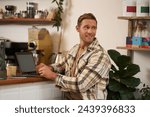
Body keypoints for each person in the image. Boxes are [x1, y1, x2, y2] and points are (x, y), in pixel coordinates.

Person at [36, 13, 111, 100]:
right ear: (77, 29)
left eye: (93, 28)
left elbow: (81, 84)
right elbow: (61, 65)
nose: (90, 31)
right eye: (86, 27)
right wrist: (48, 67)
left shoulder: (100, 55)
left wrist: (53, 75)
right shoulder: (75, 49)